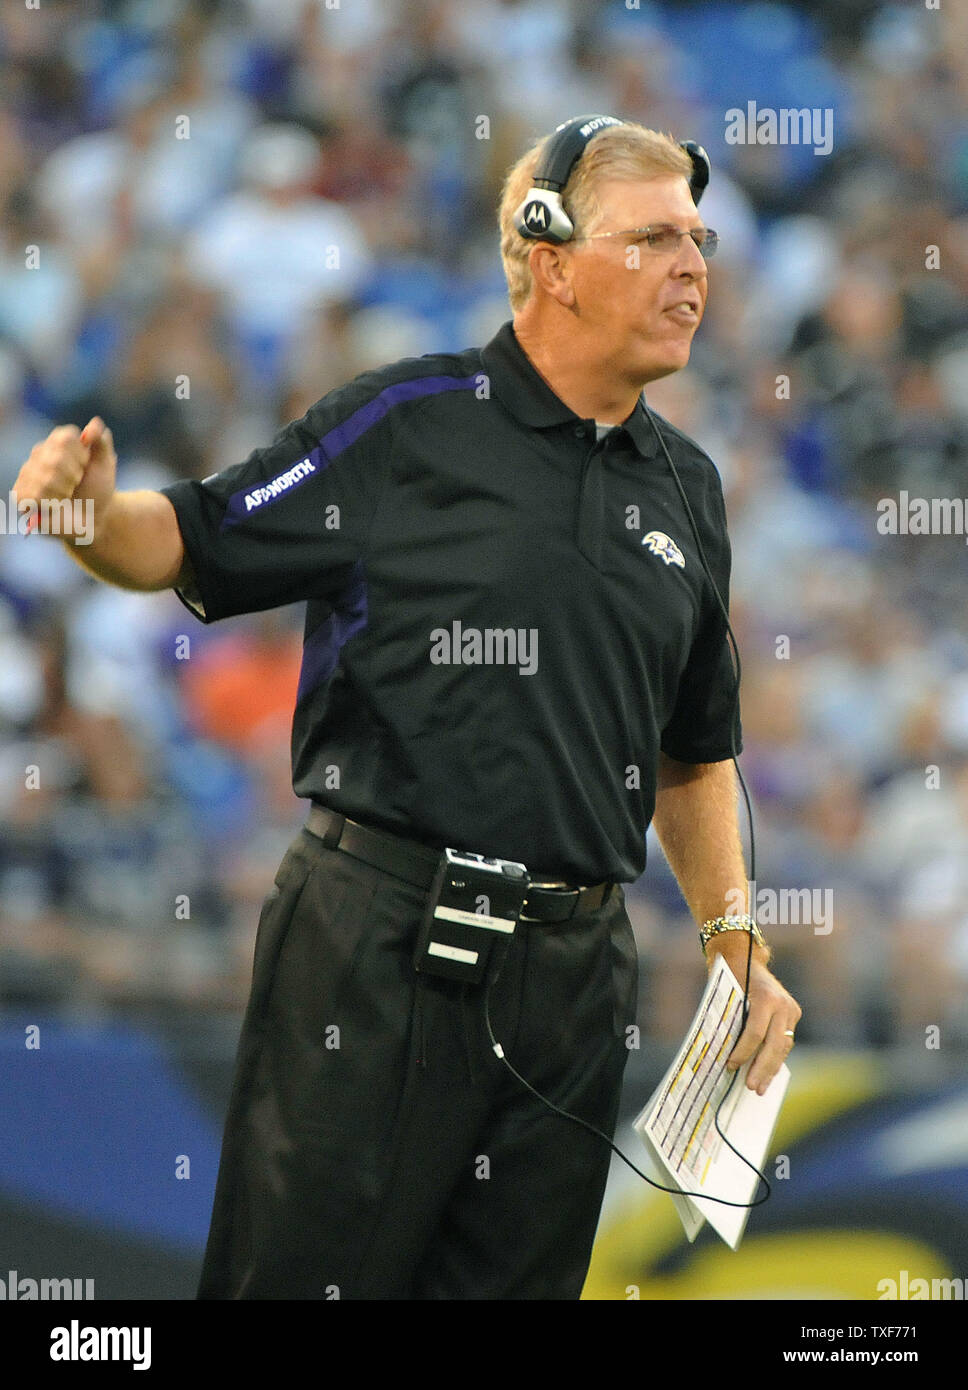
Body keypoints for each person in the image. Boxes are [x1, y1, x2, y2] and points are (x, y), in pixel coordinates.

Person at [14, 117, 801, 1300]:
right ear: (548, 258)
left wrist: (731, 935)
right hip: (376, 949)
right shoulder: (408, 423)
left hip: (575, 983)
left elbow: (692, 756)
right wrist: (85, 518)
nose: (693, 266)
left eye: (697, 240)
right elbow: (189, 534)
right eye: (652, 239)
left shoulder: (686, 489)